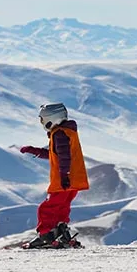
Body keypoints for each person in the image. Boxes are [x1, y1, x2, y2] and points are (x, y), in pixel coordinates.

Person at [19, 103, 90, 248]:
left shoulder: (59, 133)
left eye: (42, 119)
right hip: (74, 179)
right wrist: (34, 151)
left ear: (51, 118)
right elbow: (55, 154)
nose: (42, 123)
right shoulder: (66, 132)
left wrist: (64, 176)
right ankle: (62, 235)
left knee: (46, 208)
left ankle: (45, 237)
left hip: (64, 179)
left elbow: (64, 157)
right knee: (62, 207)